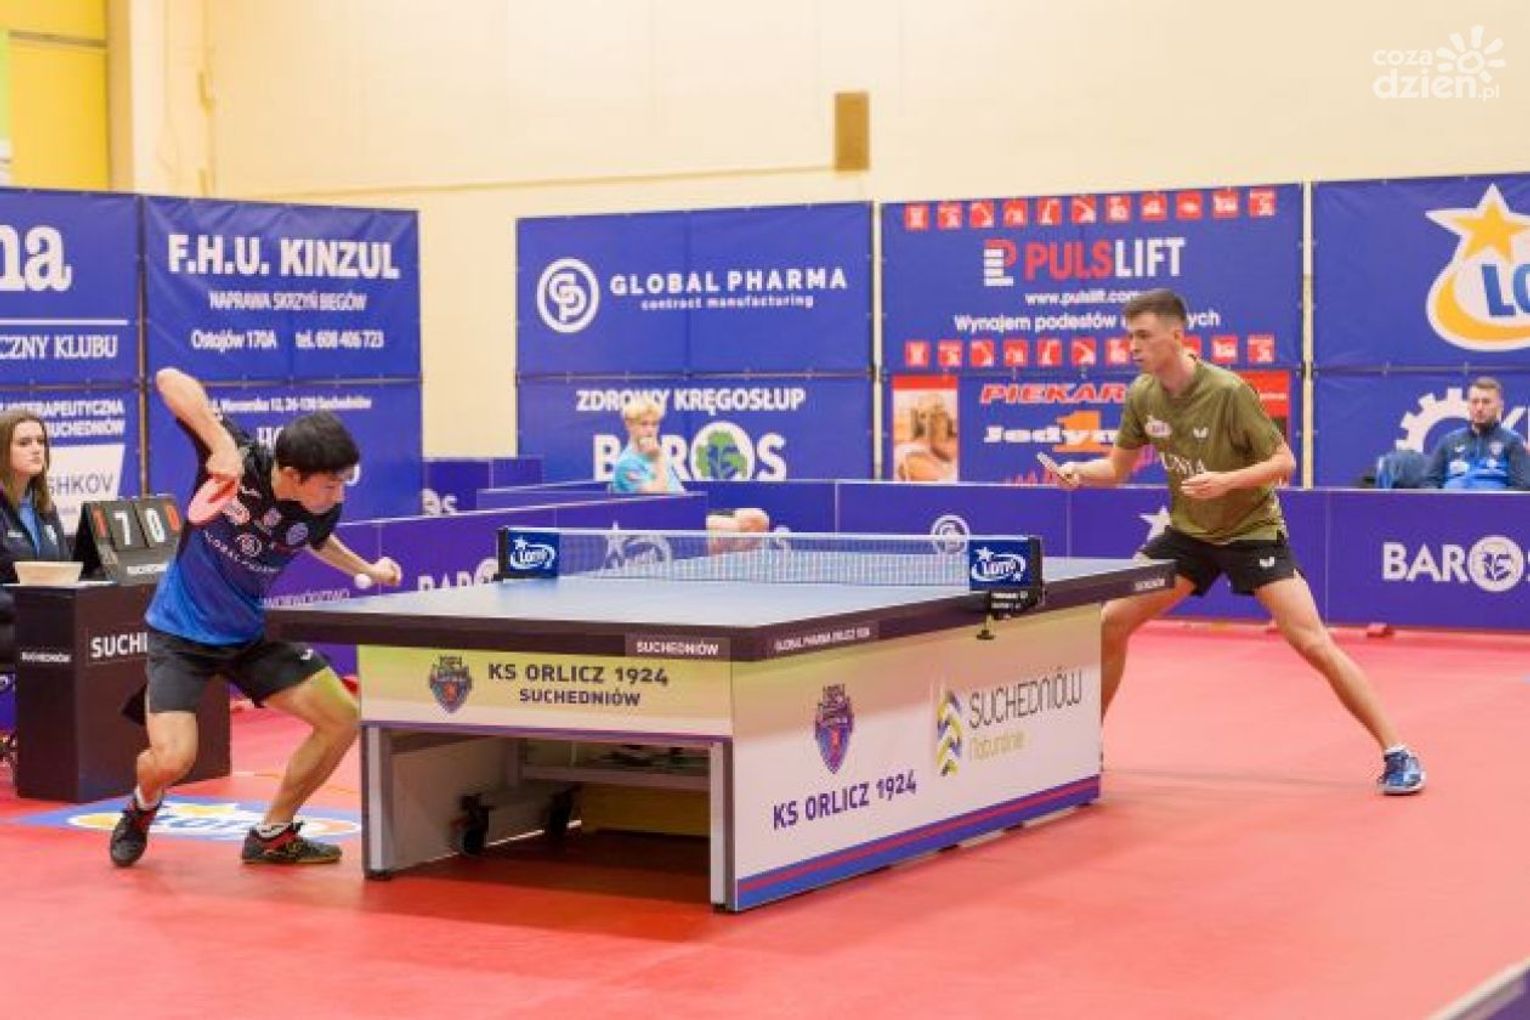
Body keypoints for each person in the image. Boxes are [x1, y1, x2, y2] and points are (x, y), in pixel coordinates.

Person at [1046, 289, 1424, 795]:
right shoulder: (1142, 394)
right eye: (1129, 337)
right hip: (1187, 534)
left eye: (1143, 336)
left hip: (1250, 532)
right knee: (1110, 622)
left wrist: (1226, 481)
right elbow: (1116, 469)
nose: (1132, 346)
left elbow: (1284, 463)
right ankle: (1084, 744)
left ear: (1177, 335)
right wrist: (1078, 471)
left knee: (1312, 642)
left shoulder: (1228, 391)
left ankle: (1398, 752)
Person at [110, 368, 403, 868]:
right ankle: (142, 806)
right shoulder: (238, 460)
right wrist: (219, 442)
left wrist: (368, 570)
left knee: (343, 718)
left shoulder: (321, 510)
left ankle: (273, 832)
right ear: (291, 474)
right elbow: (168, 378)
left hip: (248, 634)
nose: (340, 496)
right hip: (180, 633)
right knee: (172, 760)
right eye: (331, 484)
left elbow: (317, 541)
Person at [608, 396, 769, 538]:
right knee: (731, 528)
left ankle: (731, 563)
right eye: (644, 424)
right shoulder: (627, 464)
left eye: (654, 424)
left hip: (687, 513)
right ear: (629, 425)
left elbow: (679, 491)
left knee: (757, 520)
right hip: (666, 524)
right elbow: (658, 500)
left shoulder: (656, 453)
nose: (650, 430)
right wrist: (658, 460)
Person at [0, 409, 71, 667]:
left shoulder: (44, 507)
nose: (36, 449)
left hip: (41, 618)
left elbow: (64, 569)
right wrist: (34, 606)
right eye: (24, 443)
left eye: (41, 441)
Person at [1423, 377, 1530, 490]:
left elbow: (1521, 486)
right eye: (1474, 402)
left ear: (1500, 406)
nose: (1479, 408)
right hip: (1450, 500)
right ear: (1468, 405)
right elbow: (1429, 482)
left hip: (1494, 501)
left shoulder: (1513, 441)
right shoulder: (1449, 441)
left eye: (1486, 402)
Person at [893, 393, 958, 481]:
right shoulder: (908, 453)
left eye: (940, 414)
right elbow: (944, 480)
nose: (932, 419)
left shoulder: (943, 450)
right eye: (924, 416)